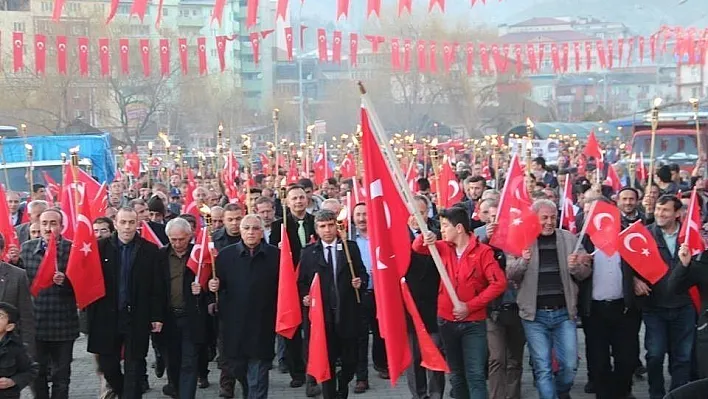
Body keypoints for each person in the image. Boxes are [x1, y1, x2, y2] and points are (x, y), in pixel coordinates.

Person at [413, 206, 507, 399]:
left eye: (445, 226)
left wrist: (470, 306)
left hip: (473, 323)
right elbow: (418, 248)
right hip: (446, 321)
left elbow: (499, 283)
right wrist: (425, 237)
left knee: (475, 374)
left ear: (459, 228)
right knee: (456, 375)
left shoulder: (483, 252)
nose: (442, 230)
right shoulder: (442, 247)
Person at [506, 199, 592, 399]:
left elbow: (585, 272)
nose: (549, 222)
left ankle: (562, 391)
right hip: (534, 316)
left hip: (564, 313)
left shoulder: (570, 239)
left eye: (553, 217)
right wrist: (523, 261)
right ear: (534, 219)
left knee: (570, 365)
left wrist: (576, 267)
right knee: (542, 366)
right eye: (544, 217)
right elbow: (511, 274)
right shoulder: (521, 239)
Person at [87, 207, 166, 399]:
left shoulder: (150, 250)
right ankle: (122, 392)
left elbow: (157, 287)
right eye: (123, 222)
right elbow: (88, 280)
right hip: (107, 317)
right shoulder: (100, 248)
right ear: (115, 223)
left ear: (138, 224)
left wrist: (156, 316)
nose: (127, 227)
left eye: (132, 222)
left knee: (134, 365)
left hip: (137, 316)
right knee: (108, 364)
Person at [298, 210, 368, 399]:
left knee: (350, 360)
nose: (327, 230)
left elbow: (362, 273)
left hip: (347, 313)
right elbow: (302, 282)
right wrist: (305, 296)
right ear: (317, 230)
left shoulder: (349, 247)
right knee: (326, 360)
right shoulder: (309, 253)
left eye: (330, 225)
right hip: (323, 317)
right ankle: (329, 394)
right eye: (323, 226)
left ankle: (343, 381)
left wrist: (360, 281)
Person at [208, 214, 279, 399]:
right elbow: (217, 287)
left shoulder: (275, 255)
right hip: (235, 325)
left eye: (255, 228)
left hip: (263, 323)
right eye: (247, 228)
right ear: (240, 230)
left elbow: (284, 288)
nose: (251, 232)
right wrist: (213, 286)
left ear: (262, 231)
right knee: (239, 370)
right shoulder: (226, 255)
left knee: (259, 372)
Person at [636, 195, 695, 399]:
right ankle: (656, 394)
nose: (660, 214)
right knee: (654, 355)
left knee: (682, 358)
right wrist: (635, 281)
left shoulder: (689, 236)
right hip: (655, 306)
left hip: (684, 305)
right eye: (658, 209)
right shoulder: (645, 235)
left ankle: (677, 395)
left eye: (666, 210)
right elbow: (629, 264)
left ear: (677, 214)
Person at [20, 208, 76, 399]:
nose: (48, 228)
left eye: (53, 223)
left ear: (61, 226)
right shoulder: (26, 248)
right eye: (44, 223)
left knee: (61, 375)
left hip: (63, 323)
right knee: (38, 373)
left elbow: (84, 286)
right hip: (36, 323)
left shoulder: (73, 249)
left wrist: (66, 282)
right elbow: (20, 282)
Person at [269, 185, 319, 396]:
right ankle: (296, 373)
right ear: (287, 202)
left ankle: (313, 370)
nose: (299, 201)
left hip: (311, 283)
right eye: (294, 199)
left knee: (312, 330)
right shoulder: (279, 225)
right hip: (289, 285)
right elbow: (271, 254)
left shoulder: (315, 223)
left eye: (301, 197)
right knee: (291, 332)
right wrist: (279, 249)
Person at [160, 218, 209, 399]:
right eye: (173, 239)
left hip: (191, 317)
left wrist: (203, 288)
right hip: (168, 318)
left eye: (181, 239)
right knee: (172, 363)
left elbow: (212, 283)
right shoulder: (161, 256)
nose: (177, 243)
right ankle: (177, 390)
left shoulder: (199, 255)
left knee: (189, 363)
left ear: (190, 236)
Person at [405, 208, 445, 399]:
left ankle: (435, 394)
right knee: (414, 357)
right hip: (409, 305)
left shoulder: (438, 233)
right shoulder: (398, 235)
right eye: (413, 213)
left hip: (434, 304)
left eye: (421, 212)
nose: (416, 217)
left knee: (435, 352)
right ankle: (418, 395)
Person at [351, 203, 387, 394]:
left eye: (365, 214)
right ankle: (361, 377)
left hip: (380, 292)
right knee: (361, 336)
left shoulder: (380, 237)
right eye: (358, 214)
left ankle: (382, 364)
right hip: (359, 294)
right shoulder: (348, 240)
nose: (362, 218)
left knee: (381, 331)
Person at [0, 235, 34, 357]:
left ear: (2, 251)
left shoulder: (18, 276)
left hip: (8, 349)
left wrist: (28, 351)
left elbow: (26, 316)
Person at [0, 302, 38, 399]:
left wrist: (13, 381)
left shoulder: (16, 347)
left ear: (9, 326)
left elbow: (31, 370)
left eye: (0, 316)